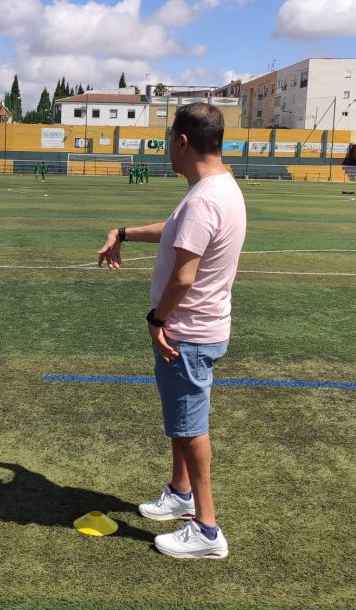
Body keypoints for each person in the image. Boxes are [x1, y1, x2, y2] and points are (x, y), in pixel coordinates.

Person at [97, 102, 246, 560]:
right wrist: (124, 231)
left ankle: (206, 529)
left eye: (167, 140)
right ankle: (180, 492)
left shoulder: (204, 198)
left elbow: (184, 275)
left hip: (188, 332)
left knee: (190, 427)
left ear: (182, 142)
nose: (166, 149)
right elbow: (178, 232)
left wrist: (156, 319)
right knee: (183, 422)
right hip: (198, 328)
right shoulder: (216, 189)